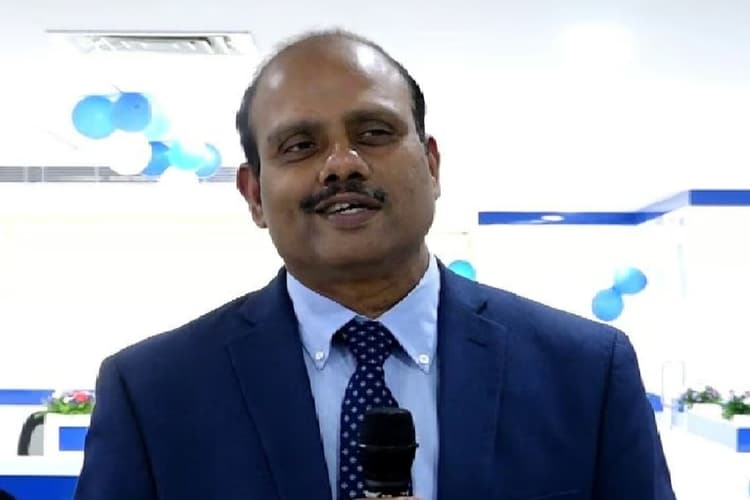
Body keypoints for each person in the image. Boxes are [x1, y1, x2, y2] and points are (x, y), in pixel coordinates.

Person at [74, 30, 676, 500]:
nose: (342, 163)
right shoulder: (153, 393)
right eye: (300, 145)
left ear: (432, 166)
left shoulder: (587, 372)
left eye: (374, 132)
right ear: (254, 195)